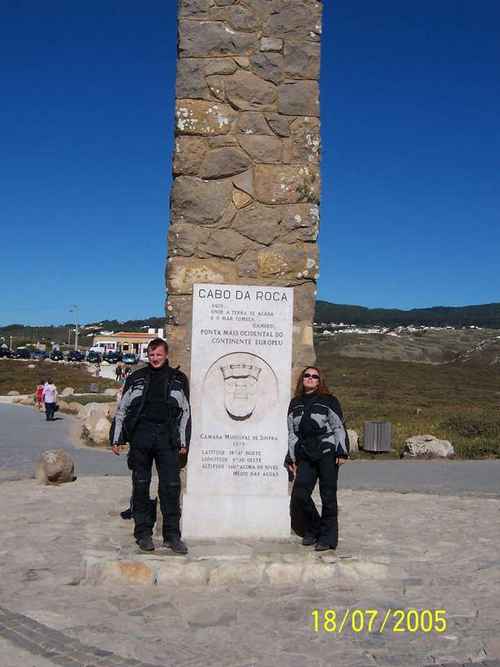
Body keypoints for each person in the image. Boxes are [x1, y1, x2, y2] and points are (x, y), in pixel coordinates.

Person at [111, 338, 191, 554]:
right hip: (141, 437)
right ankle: (143, 534)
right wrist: (117, 438)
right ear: (148, 355)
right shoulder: (136, 377)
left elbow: (185, 412)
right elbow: (122, 409)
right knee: (140, 485)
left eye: (159, 354)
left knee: (171, 487)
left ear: (166, 355)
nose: (155, 358)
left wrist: (184, 441)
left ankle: (172, 536)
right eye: (151, 355)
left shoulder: (179, 379)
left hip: (167, 438)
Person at [287, 366, 349, 552]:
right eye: (307, 376)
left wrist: (341, 450)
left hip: (327, 451)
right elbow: (292, 432)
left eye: (315, 376)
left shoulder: (329, 400)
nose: (311, 378)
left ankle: (328, 539)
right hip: (306, 453)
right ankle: (314, 528)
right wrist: (291, 457)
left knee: (328, 495)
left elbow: (338, 426)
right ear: (302, 379)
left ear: (320, 381)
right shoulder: (295, 403)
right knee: (300, 493)